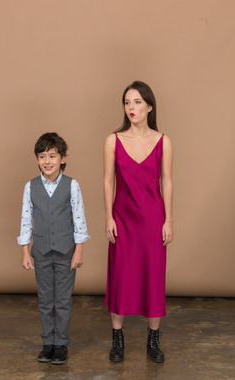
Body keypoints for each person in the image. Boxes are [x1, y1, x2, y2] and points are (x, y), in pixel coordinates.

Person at [104, 81, 174, 363]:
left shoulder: (163, 141)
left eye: (136, 102)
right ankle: (117, 339)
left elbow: (167, 181)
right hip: (122, 216)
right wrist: (108, 215)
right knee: (120, 275)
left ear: (149, 106)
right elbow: (109, 180)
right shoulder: (113, 140)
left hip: (153, 217)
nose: (131, 108)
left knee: (153, 276)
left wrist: (169, 219)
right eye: (127, 102)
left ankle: (153, 340)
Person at [17, 132, 90, 365]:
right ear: (37, 160)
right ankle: (48, 342)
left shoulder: (72, 185)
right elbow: (26, 219)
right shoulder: (31, 186)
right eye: (42, 156)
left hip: (66, 251)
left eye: (52, 156)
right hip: (41, 251)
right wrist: (25, 251)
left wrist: (79, 250)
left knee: (63, 300)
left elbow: (79, 219)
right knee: (45, 300)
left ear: (63, 158)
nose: (47, 161)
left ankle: (61, 345)